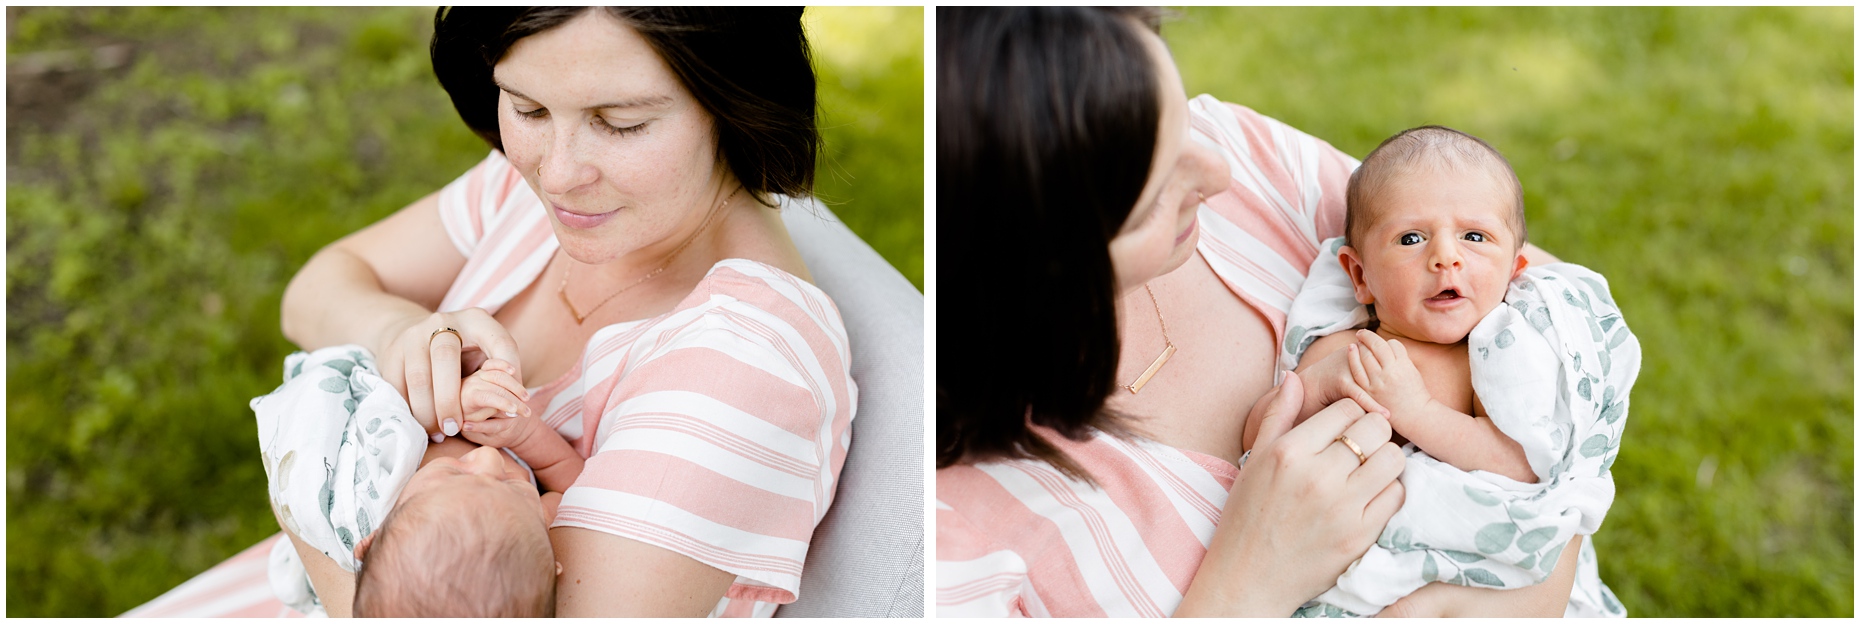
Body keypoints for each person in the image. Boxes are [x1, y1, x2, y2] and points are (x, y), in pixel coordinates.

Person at [936, 7, 1581, 617]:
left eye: (1181, 122)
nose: (1217, 174)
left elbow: (1565, 307)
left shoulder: (1246, 155)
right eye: (1154, 189)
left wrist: (1541, 557)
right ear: (1031, 262)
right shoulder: (952, 538)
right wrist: (1244, 589)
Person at [276, 7, 855, 617]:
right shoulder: (542, 195)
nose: (555, 173)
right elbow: (314, 291)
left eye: (621, 123)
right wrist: (401, 335)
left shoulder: (743, 367)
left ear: (734, 95)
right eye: (527, 109)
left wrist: (298, 487)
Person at [1264, 125, 1635, 616]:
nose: (1446, 257)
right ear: (1360, 275)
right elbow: (1264, 441)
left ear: (1513, 271)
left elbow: (1522, 465)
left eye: (1474, 236)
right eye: (1411, 238)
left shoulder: (1495, 356)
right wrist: (1321, 383)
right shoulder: (1353, 347)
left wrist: (1414, 411)